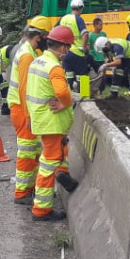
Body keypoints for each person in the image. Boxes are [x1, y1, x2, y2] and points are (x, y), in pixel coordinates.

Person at [25, 25, 79, 222]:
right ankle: (41, 210)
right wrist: (65, 103)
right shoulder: (54, 67)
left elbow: (30, 91)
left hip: (40, 118)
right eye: (69, 47)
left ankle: (64, 175)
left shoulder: (37, 61)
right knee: (48, 165)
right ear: (63, 48)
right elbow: (63, 93)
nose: (68, 52)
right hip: (52, 122)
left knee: (59, 152)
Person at [6, 26, 47, 205]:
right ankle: (22, 192)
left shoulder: (28, 51)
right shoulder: (27, 55)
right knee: (27, 151)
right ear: (38, 37)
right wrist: (30, 115)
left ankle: (29, 188)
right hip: (22, 110)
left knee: (33, 150)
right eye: (45, 36)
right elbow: (24, 88)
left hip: (22, 109)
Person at [95, 37, 130, 105]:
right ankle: (114, 94)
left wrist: (105, 65)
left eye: (103, 49)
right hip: (125, 56)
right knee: (117, 73)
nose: (103, 51)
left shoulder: (117, 47)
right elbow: (108, 58)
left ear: (106, 45)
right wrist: (106, 66)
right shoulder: (108, 46)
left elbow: (118, 62)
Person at [59, 0, 90, 90]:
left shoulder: (63, 19)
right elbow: (85, 34)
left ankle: (69, 96)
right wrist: (83, 47)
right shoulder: (78, 19)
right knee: (83, 75)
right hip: (77, 52)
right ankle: (84, 95)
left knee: (68, 75)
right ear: (80, 8)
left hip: (65, 52)